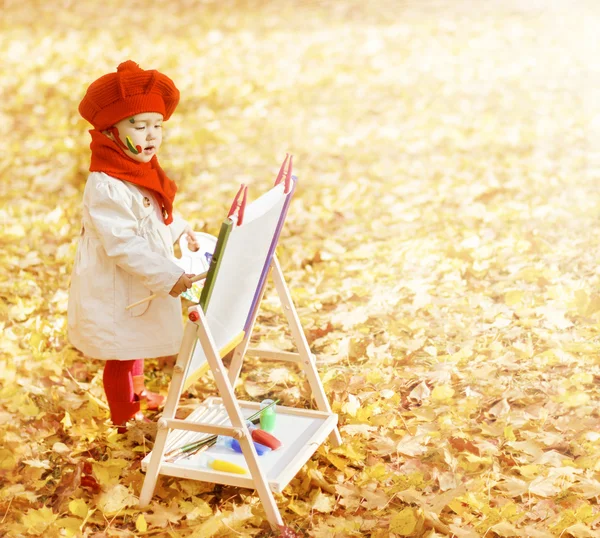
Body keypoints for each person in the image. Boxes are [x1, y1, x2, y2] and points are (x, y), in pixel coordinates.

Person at [68, 60, 199, 430]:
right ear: (110, 131)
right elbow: (122, 242)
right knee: (121, 351)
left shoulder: (138, 169)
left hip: (138, 279)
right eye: (139, 126)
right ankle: (124, 416)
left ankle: (137, 396)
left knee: (136, 341)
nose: (152, 134)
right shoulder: (107, 184)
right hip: (116, 282)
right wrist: (168, 273)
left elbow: (153, 218)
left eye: (157, 125)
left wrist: (181, 229)